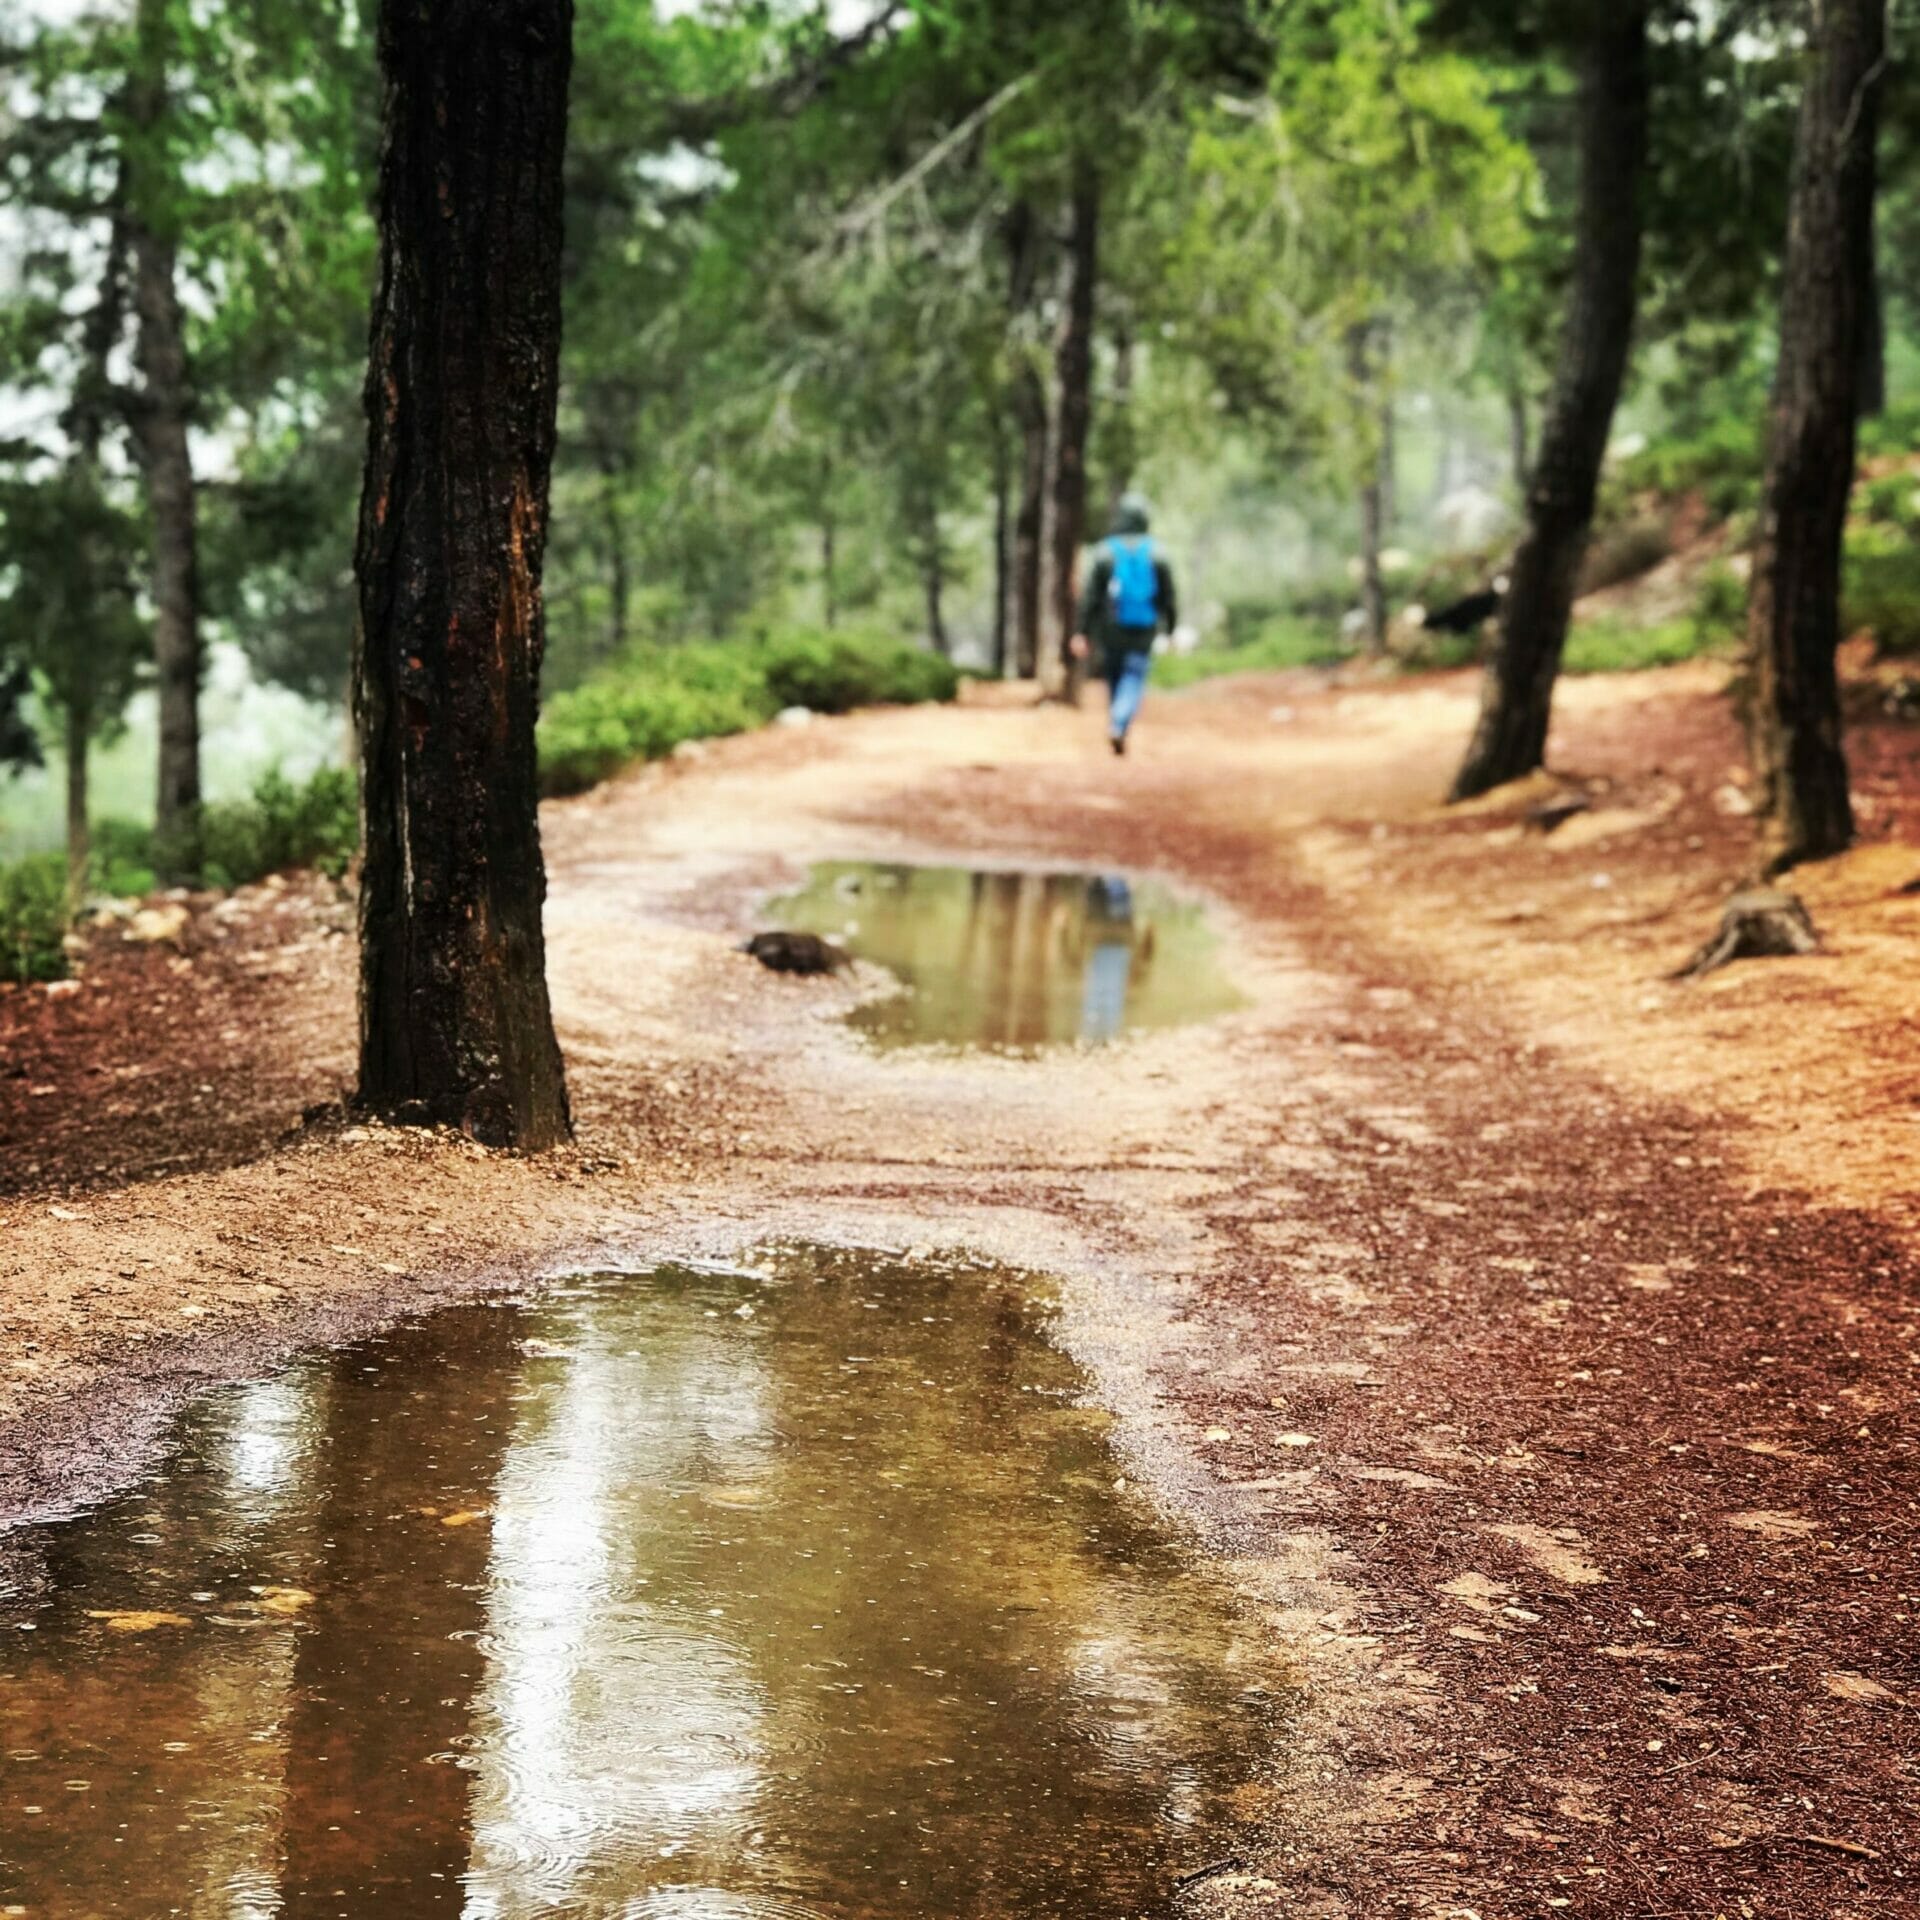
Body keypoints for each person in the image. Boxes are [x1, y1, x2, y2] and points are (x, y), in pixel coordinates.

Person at [1070, 494, 1178, 755]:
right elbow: (1169, 597)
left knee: (1116, 675)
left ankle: (1116, 720)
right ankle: (1119, 722)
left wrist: (1081, 631)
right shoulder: (1157, 553)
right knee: (1134, 675)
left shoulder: (1105, 552)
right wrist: (1170, 628)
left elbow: (1091, 598)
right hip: (1144, 627)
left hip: (1111, 628)